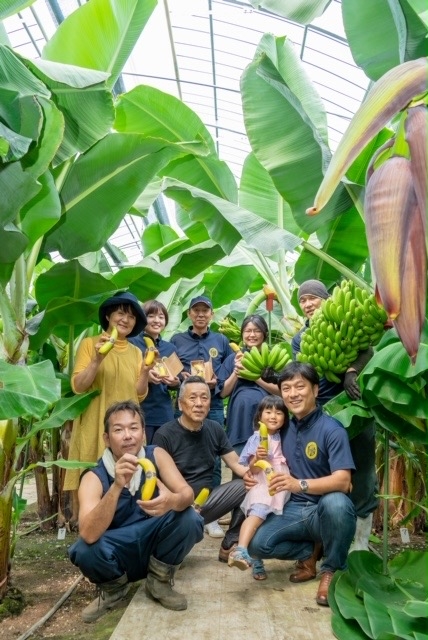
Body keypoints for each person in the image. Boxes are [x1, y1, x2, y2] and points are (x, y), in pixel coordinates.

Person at [69, 400, 204, 622]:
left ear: (143, 434)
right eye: (118, 430)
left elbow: (187, 493)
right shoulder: (94, 477)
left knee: (190, 518)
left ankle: (159, 582)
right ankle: (113, 590)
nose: (128, 435)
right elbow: (88, 533)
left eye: (134, 428)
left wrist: (172, 500)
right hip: (118, 552)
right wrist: (116, 486)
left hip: (155, 543)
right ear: (106, 438)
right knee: (84, 549)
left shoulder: (157, 455)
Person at [247, 362, 356, 607]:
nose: (293, 394)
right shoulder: (281, 428)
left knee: (338, 504)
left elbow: (343, 480)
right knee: (257, 545)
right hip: (294, 509)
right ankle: (309, 554)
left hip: (324, 509)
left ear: (315, 390)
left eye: (300, 387)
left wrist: (299, 484)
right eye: (286, 388)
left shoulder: (332, 430)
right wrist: (250, 472)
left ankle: (332, 570)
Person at [292, 279, 378, 550]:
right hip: (323, 415)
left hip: (355, 409)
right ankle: (327, 543)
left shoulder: (346, 322)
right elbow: (303, 372)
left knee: (362, 473)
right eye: (302, 300)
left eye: (312, 298)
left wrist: (351, 370)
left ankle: (360, 544)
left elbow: (368, 349)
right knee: (324, 473)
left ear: (326, 299)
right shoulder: (300, 339)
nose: (307, 304)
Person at [153, 376, 251, 562]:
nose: (199, 403)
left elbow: (236, 464)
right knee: (172, 557)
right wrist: (180, 501)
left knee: (249, 484)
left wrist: (259, 471)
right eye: (193, 398)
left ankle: (230, 542)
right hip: (176, 504)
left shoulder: (214, 429)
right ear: (180, 404)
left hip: (206, 502)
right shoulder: (164, 434)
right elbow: (157, 481)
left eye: (204, 398)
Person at [64, 291, 152, 492]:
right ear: (108, 316)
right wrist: (97, 359)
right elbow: (78, 386)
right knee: (93, 477)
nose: (126, 320)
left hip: (128, 425)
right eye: (121, 313)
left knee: (131, 477)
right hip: (96, 422)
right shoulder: (90, 344)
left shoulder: (137, 352)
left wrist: (145, 372)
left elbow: (138, 394)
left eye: (131, 316)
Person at [170, 295, 234, 538]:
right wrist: (182, 378)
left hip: (214, 405)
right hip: (185, 405)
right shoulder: (177, 340)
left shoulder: (222, 340)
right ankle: (185, 509)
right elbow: (171, 372)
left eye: (205, 310)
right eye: (196, 310)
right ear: (189, 314)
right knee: (183, 456)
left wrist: (216, 381)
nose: (200, 314)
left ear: (212, 315)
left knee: (214, 458)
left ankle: (212, 515)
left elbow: (228, 370)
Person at [228, 395, 290, 581]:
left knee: (266, 524)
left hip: (279, 484)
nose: (273, 416)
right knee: (256, 517)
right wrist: (257, 458)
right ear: (259, 417)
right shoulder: (256, 439)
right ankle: (241, 549)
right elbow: (252, 469)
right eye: (268, 411)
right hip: (263, 485)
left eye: (279, 412)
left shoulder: (284, 436)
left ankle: (257, 561)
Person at [218, 314, 281, 457]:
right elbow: (222, 393)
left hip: (269, 423)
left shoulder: (272, 358)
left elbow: (282, 392)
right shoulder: (233, 358)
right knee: (242, 470)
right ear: (242, 334)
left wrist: (254, 376)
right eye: (247, 331)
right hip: (240, 423)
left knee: (269, 469)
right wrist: (236, 372)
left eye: (257, 330)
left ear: (264, 334)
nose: (252, 335)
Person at [130, 300, 181, 444]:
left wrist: (175, 382)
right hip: (139, 410)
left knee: (162, 456)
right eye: (151, 316)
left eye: (161, 317)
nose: (156, 320)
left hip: (163, 412)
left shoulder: (170, 348)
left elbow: (175, 380)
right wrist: (145, 376)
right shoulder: (132, 343)